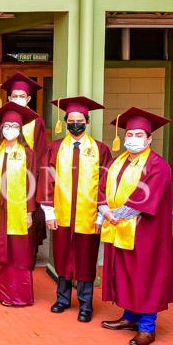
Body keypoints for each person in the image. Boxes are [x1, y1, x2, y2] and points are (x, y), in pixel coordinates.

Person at [99, 107, 173, 345]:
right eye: (129, 134)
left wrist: (115, 215)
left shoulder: (158, 165)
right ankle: (130, 317)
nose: (133, 139)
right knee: (123, 270)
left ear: (149, 138)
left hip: (146, 232)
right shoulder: (117, 162)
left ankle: (147, 328)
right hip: (119, 227)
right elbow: (101, 188)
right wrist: (105, 210)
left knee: (145, 274)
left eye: (139, 135)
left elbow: (145, 199)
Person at [39, 96, 111, 322]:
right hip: (61, 213)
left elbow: (105, 184)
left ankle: (86, 304)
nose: (75, 124)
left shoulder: (100, 149)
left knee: (86, 259)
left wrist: (101, 216)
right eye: (71, 120)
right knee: (61, 256)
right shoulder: (55, 148)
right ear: (65, 122)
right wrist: (49, 212)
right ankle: (62, 299)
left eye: (80, 120)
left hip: (89, 216)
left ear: (87, 122)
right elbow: (46, 181)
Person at [0, 102, 39, 307]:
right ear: (0, 128)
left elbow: (32, 183)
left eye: (14, 127)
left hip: (17, 210)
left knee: (16, 250)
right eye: (6, 126)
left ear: (20, 129)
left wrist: (30, 211)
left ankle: (14, 293)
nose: (10, 130)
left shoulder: (28, 153)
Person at [0, 72, 46, 253]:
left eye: (22, 96)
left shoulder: (37, 121)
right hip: (4, 175)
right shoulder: (2, 121)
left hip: (29, 176)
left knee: (31, 212)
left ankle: (29, 249)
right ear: (9, 98)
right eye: (14, 96)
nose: (18, 99)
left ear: (29, 98)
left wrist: (35, 175)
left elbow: (41, 150)